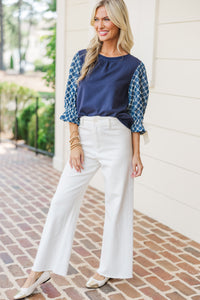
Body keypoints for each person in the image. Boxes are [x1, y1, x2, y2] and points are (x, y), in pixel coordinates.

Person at [14, 0, 149, 298]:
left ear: (119, 23)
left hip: (118, 139)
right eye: (96, 19)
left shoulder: (134, 67)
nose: (100, 25)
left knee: (117, 204)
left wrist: (137, 154)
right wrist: (75, 143)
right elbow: (71, 104)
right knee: (61, 201)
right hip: (85, 137)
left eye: (106, 20)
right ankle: (41, 268)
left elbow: (137, 114)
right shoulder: (83, 58)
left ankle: (108, 266)